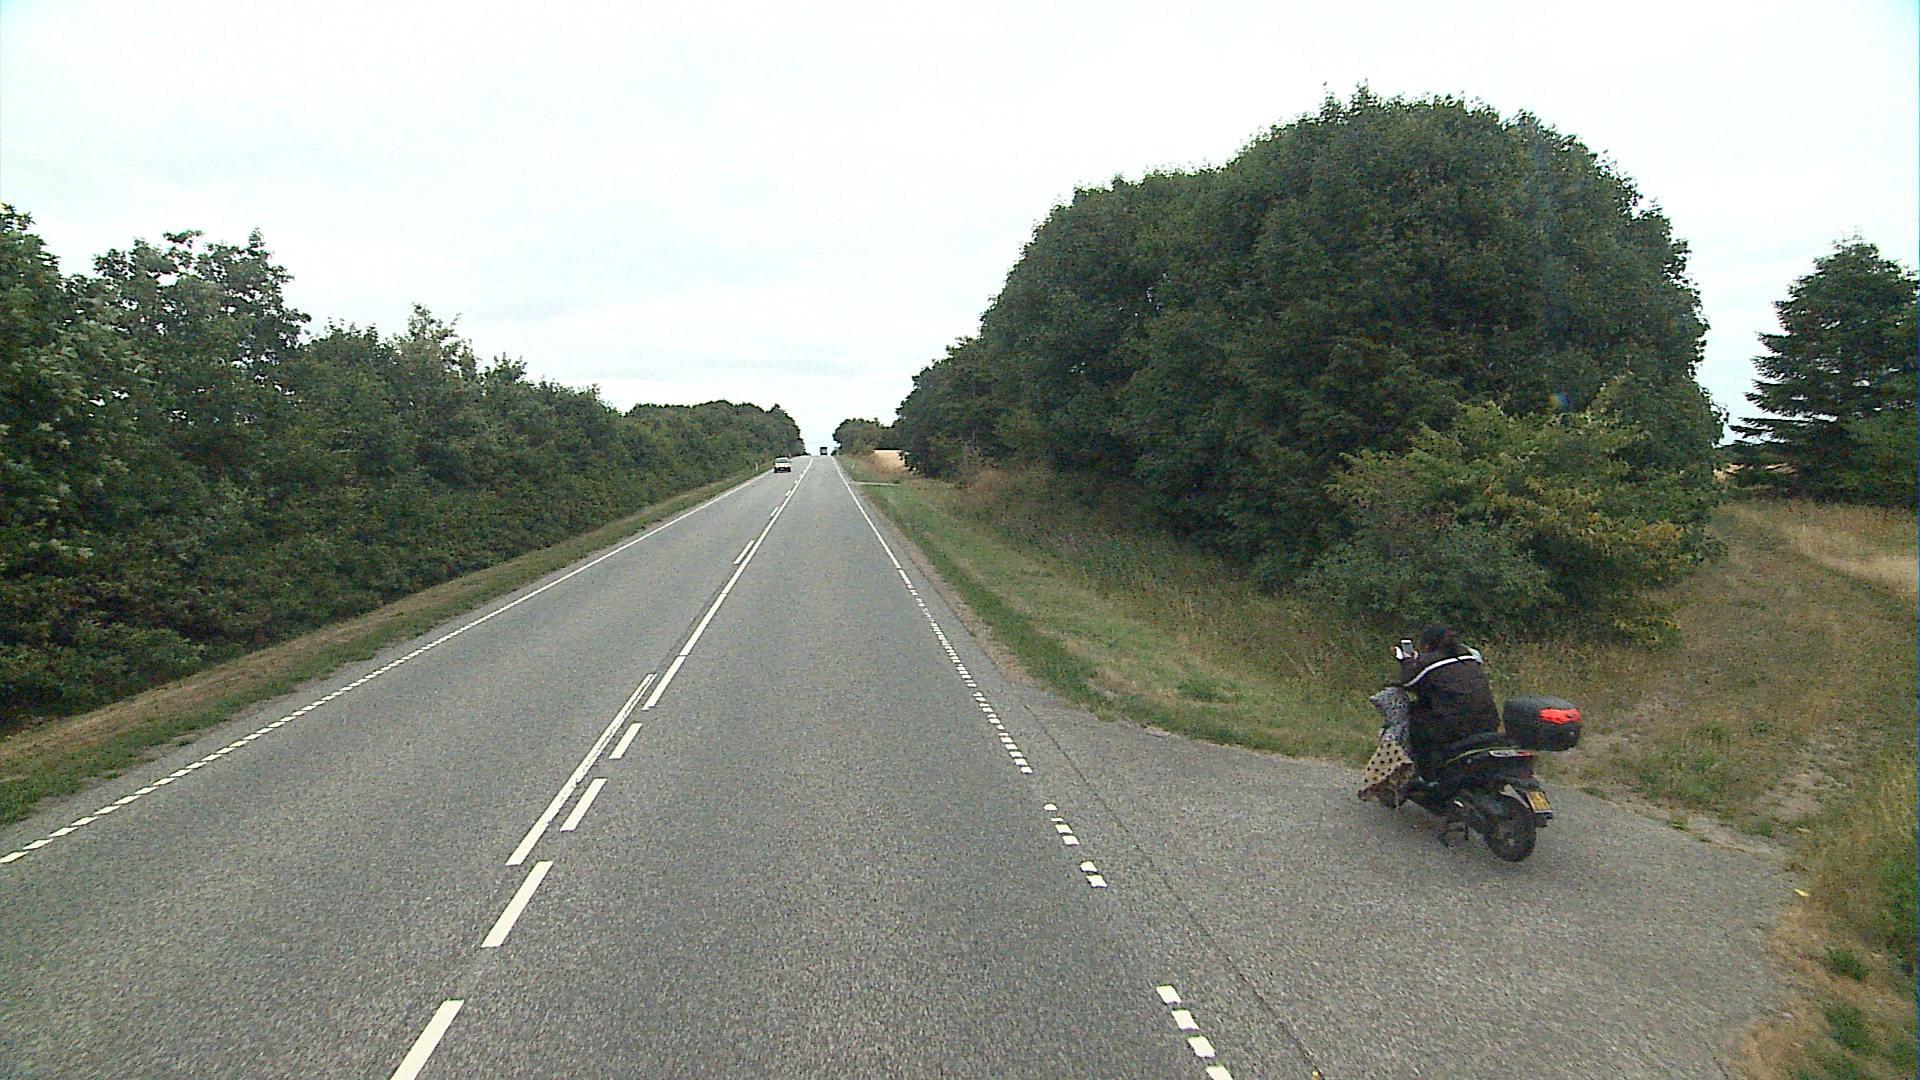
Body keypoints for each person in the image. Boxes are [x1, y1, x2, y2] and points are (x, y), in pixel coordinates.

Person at [1395, 623, 1500, 772]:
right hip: (1489, 721)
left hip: (1455, 726)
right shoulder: (1470, 657)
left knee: (1417, 723)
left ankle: (1427, 772)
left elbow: (1408, 681)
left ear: (1427, 644)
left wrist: (1406, 661)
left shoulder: (1430, 661)